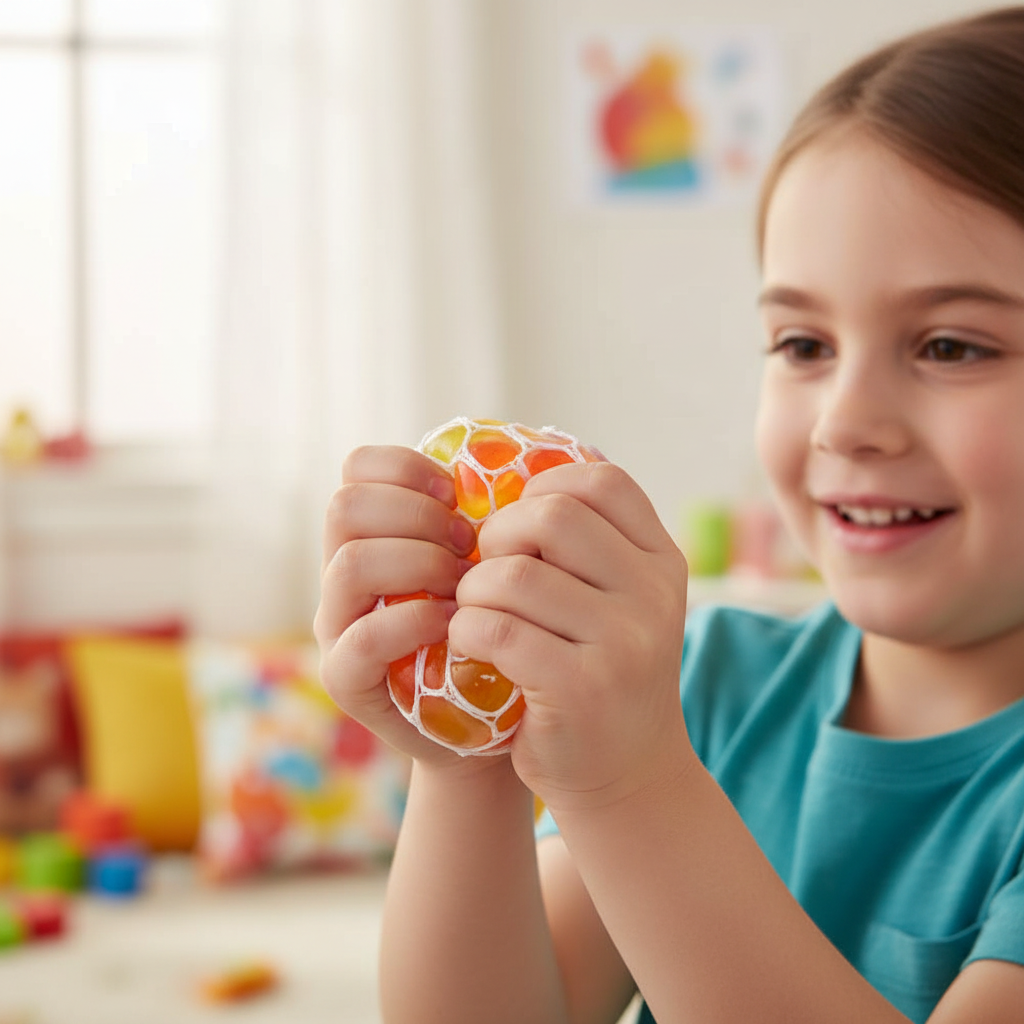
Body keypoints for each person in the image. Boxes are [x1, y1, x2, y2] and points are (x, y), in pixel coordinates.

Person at [314, 8, 1024, 1022]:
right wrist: (468, 753)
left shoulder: (653, 737)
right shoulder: (708, 683)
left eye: (951, 345)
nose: (845, 422)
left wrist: (634, 785)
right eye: (801, 344)